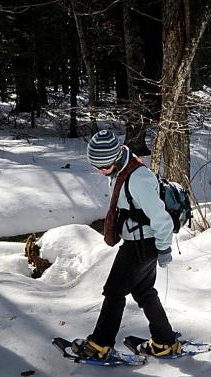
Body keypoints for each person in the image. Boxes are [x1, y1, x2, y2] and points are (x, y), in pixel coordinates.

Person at [72, 130, 182, 359]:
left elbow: (161, 219)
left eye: (101, 167)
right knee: (144, 291)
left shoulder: (138, 178)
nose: (99, 172)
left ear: (113, 159)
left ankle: (100, 345)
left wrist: (164, 248)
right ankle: (165, 342)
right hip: (139, 241)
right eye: (96, 167)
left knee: (114, 292)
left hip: (142, 245)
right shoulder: (122, 168)